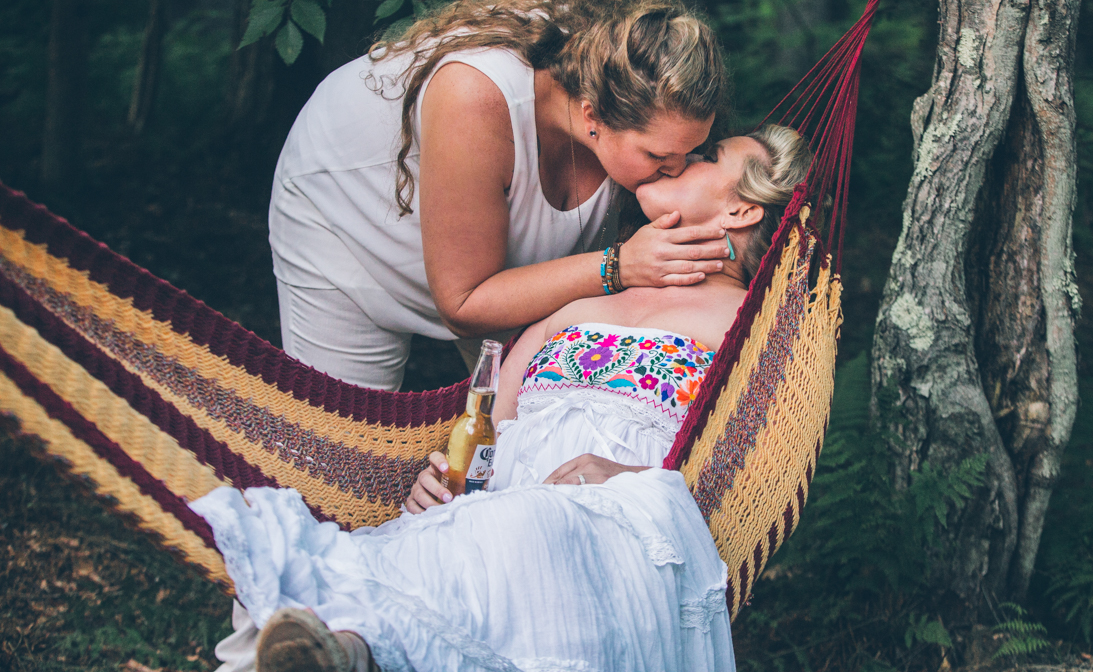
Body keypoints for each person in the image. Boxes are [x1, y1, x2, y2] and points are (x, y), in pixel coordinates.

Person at [195, 126, 812, 672]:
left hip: (610, 541)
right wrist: (441, 480)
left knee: (532, 525)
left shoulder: (752, 329)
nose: (677, 162)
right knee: (414, 548)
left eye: (704, 157)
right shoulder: (578, 306)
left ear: (740, 210)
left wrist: (632, 479)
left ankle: (355, 654)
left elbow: (756, 482)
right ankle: (350, 651)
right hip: (497, 519)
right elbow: (486, 426)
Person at [269, 0, 734, 391]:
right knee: (344, 445)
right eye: (658, 156)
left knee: (528, 416)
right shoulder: (476, 95)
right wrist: (619, 266)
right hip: (349, 221)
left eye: (693, 151)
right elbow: (465, 303)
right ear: (593, 116)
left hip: (498, 271)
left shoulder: (630, 93)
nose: (678, 169)